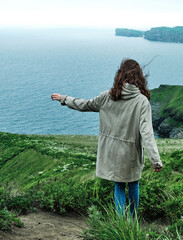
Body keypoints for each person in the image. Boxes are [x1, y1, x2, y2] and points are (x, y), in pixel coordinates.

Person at [51, 58, 163, 217]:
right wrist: (155, 160)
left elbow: (84, 105)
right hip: (130, 153)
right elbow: (147, 133)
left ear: (120, 75)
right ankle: (132, 222)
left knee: (119, 186)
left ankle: (120, 222)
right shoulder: (142, 101)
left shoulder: (108, 96)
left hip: (111, 152)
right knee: (133, 186)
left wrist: (64, 98)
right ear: (139, 77)